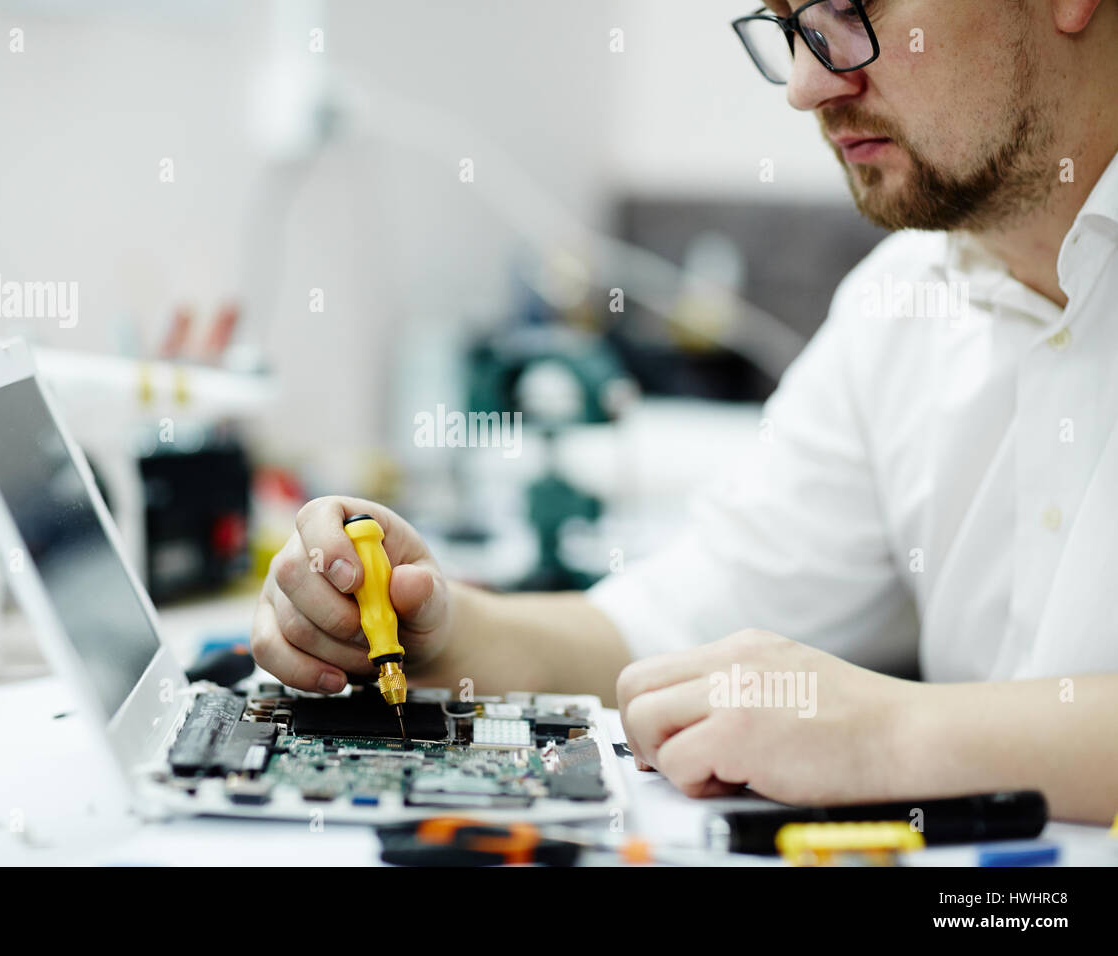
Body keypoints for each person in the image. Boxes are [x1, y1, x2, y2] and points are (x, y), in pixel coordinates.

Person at [252, 0, 1118, 824]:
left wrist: (897, 735)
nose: (804, 86)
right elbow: (673, 628)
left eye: (853, 13)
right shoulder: (906, 305)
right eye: (787, 29)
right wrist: (429, 627)